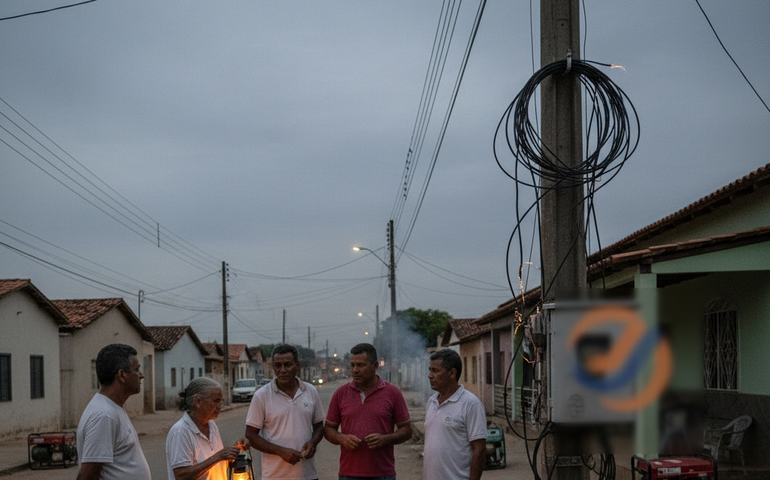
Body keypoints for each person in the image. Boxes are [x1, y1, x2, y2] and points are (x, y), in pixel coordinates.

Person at [325, 343, 412, 480]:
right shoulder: (340, 393)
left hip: (383, 473)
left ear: (375, 365)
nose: (355, 370)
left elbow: (407, 430)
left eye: (361, 365)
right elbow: (329, 429)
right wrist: (342, 438)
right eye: (352, 365)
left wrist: (385, 439)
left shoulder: (392, 393)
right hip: (349, 473)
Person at [245, 344, 325, 480]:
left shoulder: (310, 391)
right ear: (273, 367)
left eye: (287, 365)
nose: (282, 370)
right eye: (278, 365)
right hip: (275, 475)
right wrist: (281, 452)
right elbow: (250, 436)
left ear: (297, 366)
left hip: (307, 474)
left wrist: (313, 443)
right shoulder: (262, 395)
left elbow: (319, 426)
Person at [76, 343, 151, 480]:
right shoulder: (104, 415)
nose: (141, 375)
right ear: (122, 375)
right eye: (137, 369)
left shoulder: (114, 409)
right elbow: (87, 476)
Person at [423, 349, 487, 480]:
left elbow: (479, 449)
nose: (429, 375)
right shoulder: (431, 402)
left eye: (435, 371)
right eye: (430, 370)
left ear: (452, 373)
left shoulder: (470, 404)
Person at [165, 377, 246, 480]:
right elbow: (181, 475)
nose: (220, 406)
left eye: (221, 401)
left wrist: (234, 451)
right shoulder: (180, 431)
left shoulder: (212, 426)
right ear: (197, 401)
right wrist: (218, 456)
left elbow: (215, 465)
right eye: (216, 401)